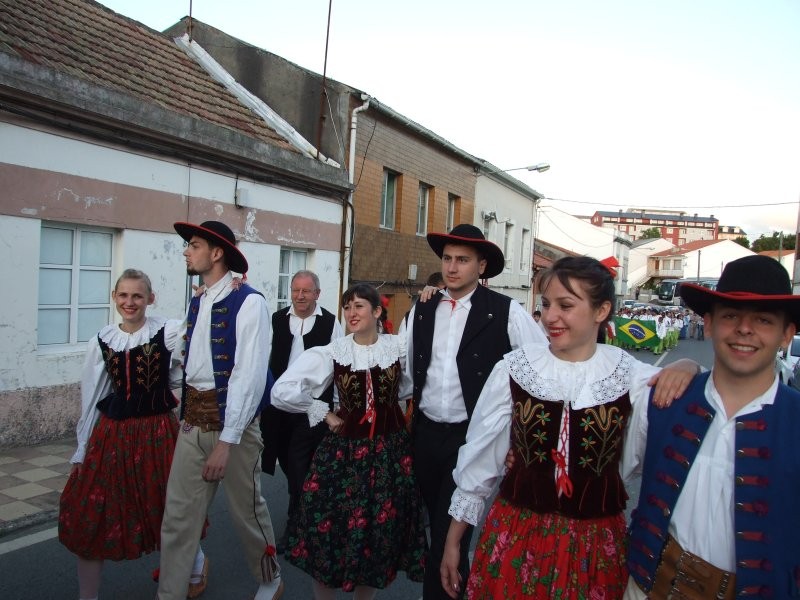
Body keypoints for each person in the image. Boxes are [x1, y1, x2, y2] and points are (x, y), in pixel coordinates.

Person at [439, 256, 698, 599]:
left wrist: (689, 365)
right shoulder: (516, 370)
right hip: (517, 534)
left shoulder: (630, 376)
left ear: (601, 310)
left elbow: (656, 449)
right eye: (546, 304)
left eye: (565, 305)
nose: (550, 317)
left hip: (593, 544)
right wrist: (453, 541)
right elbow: (480, 461)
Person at [624, 255, 800, 599]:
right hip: (648, 589)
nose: (744, 329)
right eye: (730, 315)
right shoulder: (661, 400)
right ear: (708, 325)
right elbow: (607, 480)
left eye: (763, 320)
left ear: (786, 334)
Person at [403, 223, 548, 599]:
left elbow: (541, 370)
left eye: (462, 260)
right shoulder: (423, 308)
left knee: (448, 536)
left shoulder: (506, 311)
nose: (452, 267)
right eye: (447, 259)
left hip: (471, 440)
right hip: (426, 435)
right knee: (435, 532)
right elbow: (407, 369)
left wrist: (521, 436)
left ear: (481, 266)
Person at [271, 283, 427, 600]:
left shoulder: (397, 348)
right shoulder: (334, 352)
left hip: (389, 456)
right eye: (347, 307)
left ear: (377, 311)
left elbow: (410, 384)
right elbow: (281, 391)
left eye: (358, 306)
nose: (351, 313)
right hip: (343, 455)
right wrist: (323, 412)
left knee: (375, 537)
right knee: (329, 532)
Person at [59, 269, 206, 600]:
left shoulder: (167, 331)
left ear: (150, 299)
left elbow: (196, 333)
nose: (130, 302)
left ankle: (195, 563)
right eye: (124, 295)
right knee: (93, 510)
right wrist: (82, 449)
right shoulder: (102, 340)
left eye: (137, 295)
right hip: (112, 436)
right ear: (114, 297)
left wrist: (212, 294)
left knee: (171, 506)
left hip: (158, 434)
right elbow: (92, 397)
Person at [157, 220, 283, 600]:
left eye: (194, 245)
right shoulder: (198, 299)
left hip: (235, 425)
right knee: (178, 516)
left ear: (216, 253)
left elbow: (249, 375)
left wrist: (227, 441)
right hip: (193, 421)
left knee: (247, 512)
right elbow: (188, 357)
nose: (186, 251)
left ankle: (270, 579)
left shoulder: (250, 302)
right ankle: (169, 593)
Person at [260, 270, 343, 549]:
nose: (300, 296)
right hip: (280, 406)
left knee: (299, 465)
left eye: (306, 291)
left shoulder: (330, 322)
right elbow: (264, 358)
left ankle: (296, 524)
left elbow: (338, 366)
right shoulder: (277, 319)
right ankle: (309, 511)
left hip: (314, 408)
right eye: (296, 290)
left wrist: (337, 406)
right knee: (285, 459)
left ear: (317, 294)